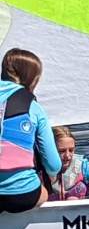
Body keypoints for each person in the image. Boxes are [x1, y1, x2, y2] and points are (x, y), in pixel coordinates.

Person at [0, 48, 61, 213]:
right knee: (44, 193)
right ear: (32, 79)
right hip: (21, 195)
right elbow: (53, 165)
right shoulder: (34, 108)